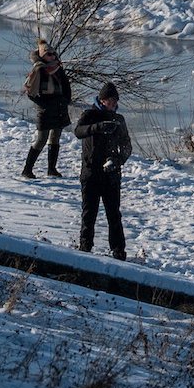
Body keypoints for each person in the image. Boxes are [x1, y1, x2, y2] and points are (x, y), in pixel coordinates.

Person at [74, 82, 132, 260]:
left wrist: (118, 160)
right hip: (90, 172)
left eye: (115, 102)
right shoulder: (90, 114)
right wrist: (97, 127)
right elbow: (78, 131)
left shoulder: (119, 119)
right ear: (101, 100)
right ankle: (85, 247)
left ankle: (118, 250)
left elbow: (127, 145)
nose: (113, 105)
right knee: (89, 212)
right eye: (110, 101)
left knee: (114, 214)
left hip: (111, 174)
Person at [21, 40, 72, 178]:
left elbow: (67, 87)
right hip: (45, 109)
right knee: (41, 139)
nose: (52, 56)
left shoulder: (58, 68)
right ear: (42, 56)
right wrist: (44, 104)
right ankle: (27, 170)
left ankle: (52, 169)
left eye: (53, 54)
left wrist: (66, 100)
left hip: (60, 107)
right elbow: (30, 92)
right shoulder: (38, 69)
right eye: (49, 54)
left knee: (55, 137)